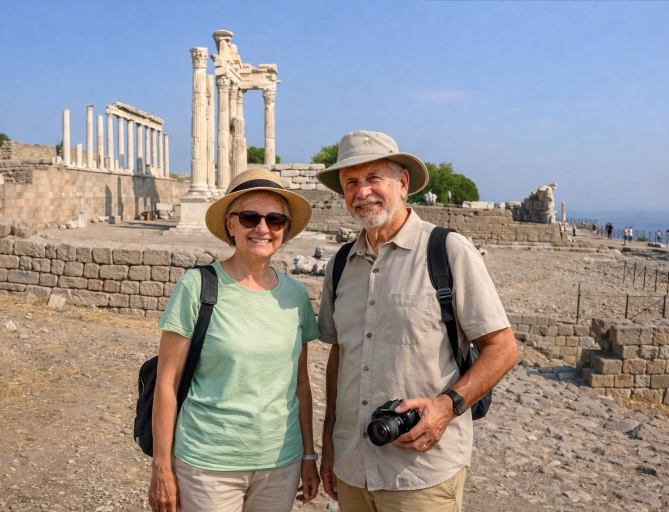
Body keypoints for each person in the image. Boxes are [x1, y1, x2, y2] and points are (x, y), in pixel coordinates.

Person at [315, 131, 518, 512]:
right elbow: (340, 353)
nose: (362, 192)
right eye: (351, 183)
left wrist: (446, 406)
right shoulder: (340, 265)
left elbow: (504, 348)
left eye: (373, 178)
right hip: (352, 465)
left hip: (421, 471)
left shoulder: (447, 250)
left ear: (402, 183)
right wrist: (330, 442)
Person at [148, 169, 321, 512]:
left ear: (284, 228)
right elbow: (166, 383)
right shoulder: (196, 287)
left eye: (275, 219)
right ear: (230, 224)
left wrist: (308, 454)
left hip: (280, 462)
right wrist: (162, 467)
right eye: (249, 217)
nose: (262, 228)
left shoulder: (295, 295)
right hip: (207, 462)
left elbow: (300, 384)